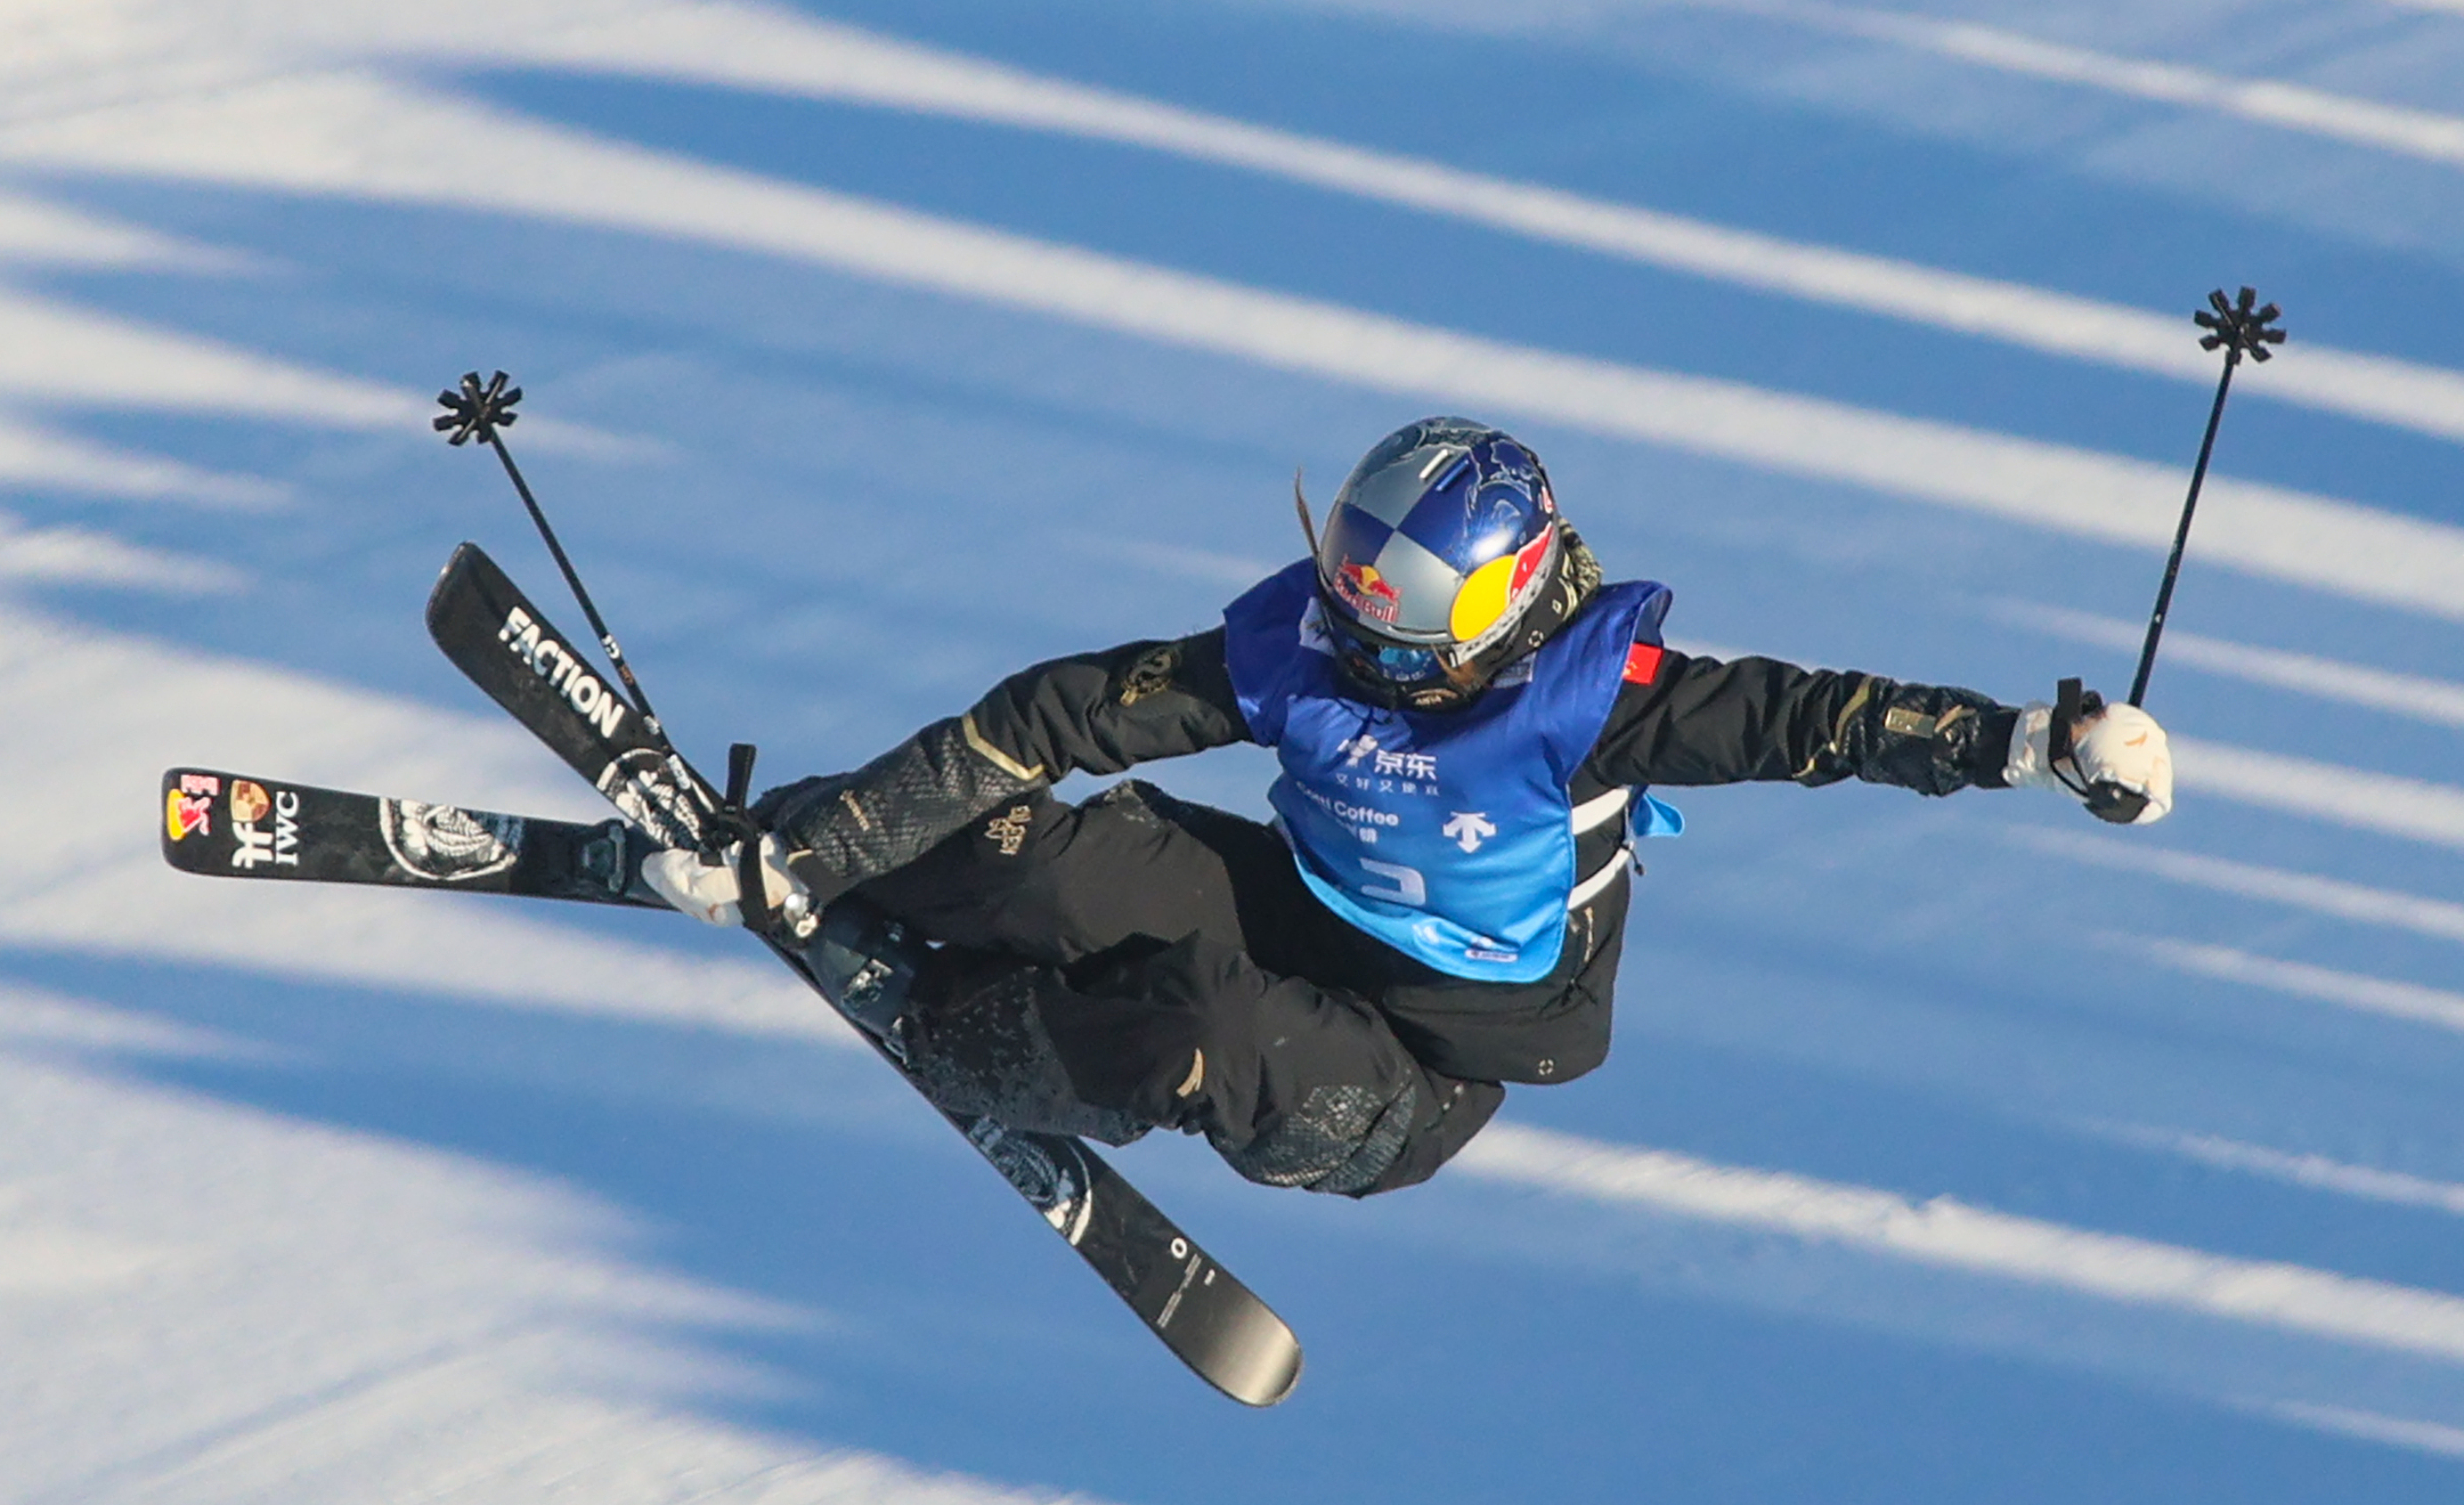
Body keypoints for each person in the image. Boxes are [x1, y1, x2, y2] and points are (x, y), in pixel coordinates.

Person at [641, 418, 2175, 1199]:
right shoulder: (1311, 648)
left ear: (1510, 595)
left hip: (1432, 1057)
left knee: (1191, 1027)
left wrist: (2041, 742)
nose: (1371, 627)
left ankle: (988, 1039)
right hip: (1307, 905)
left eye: (1409, 601)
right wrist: (816, 843)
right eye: (1358, 576)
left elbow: (1819, 720)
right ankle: (842, 886)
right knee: (1033, 858)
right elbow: (1054, 714)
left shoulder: (1598, 699)